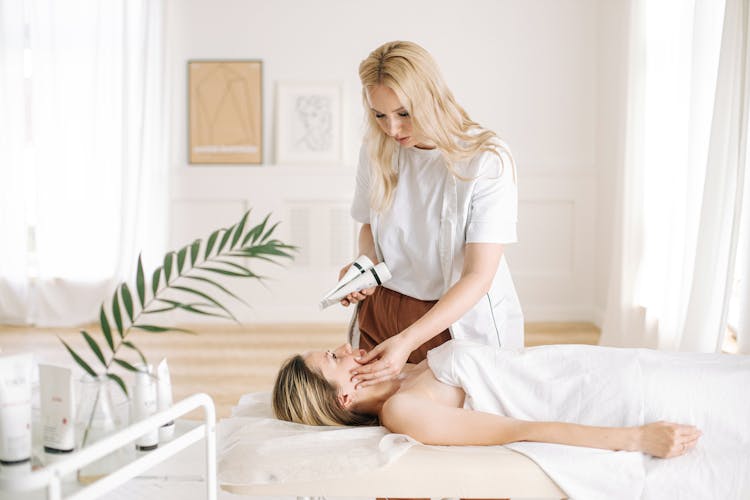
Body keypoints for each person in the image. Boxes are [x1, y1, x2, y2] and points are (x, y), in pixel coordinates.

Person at [273, 340, 750, 499]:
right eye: (335, 357)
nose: (347, 348)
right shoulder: (404, 410)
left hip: (610, 369)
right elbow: (521, 430)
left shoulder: (404, 373)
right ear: (342, 397)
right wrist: (636, 438)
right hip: (613, 402)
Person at [340, 40, 523, 389]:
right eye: (380, 115)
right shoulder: (376, 150)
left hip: (449, 321)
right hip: (382, 309)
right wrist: (363, 269)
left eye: (404, 113)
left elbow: (478, 276)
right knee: (369, 422)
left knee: (447, 425)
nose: (392, 129)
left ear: (431, 97)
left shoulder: (486, 158)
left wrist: (408, 340)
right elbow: (369, 226)